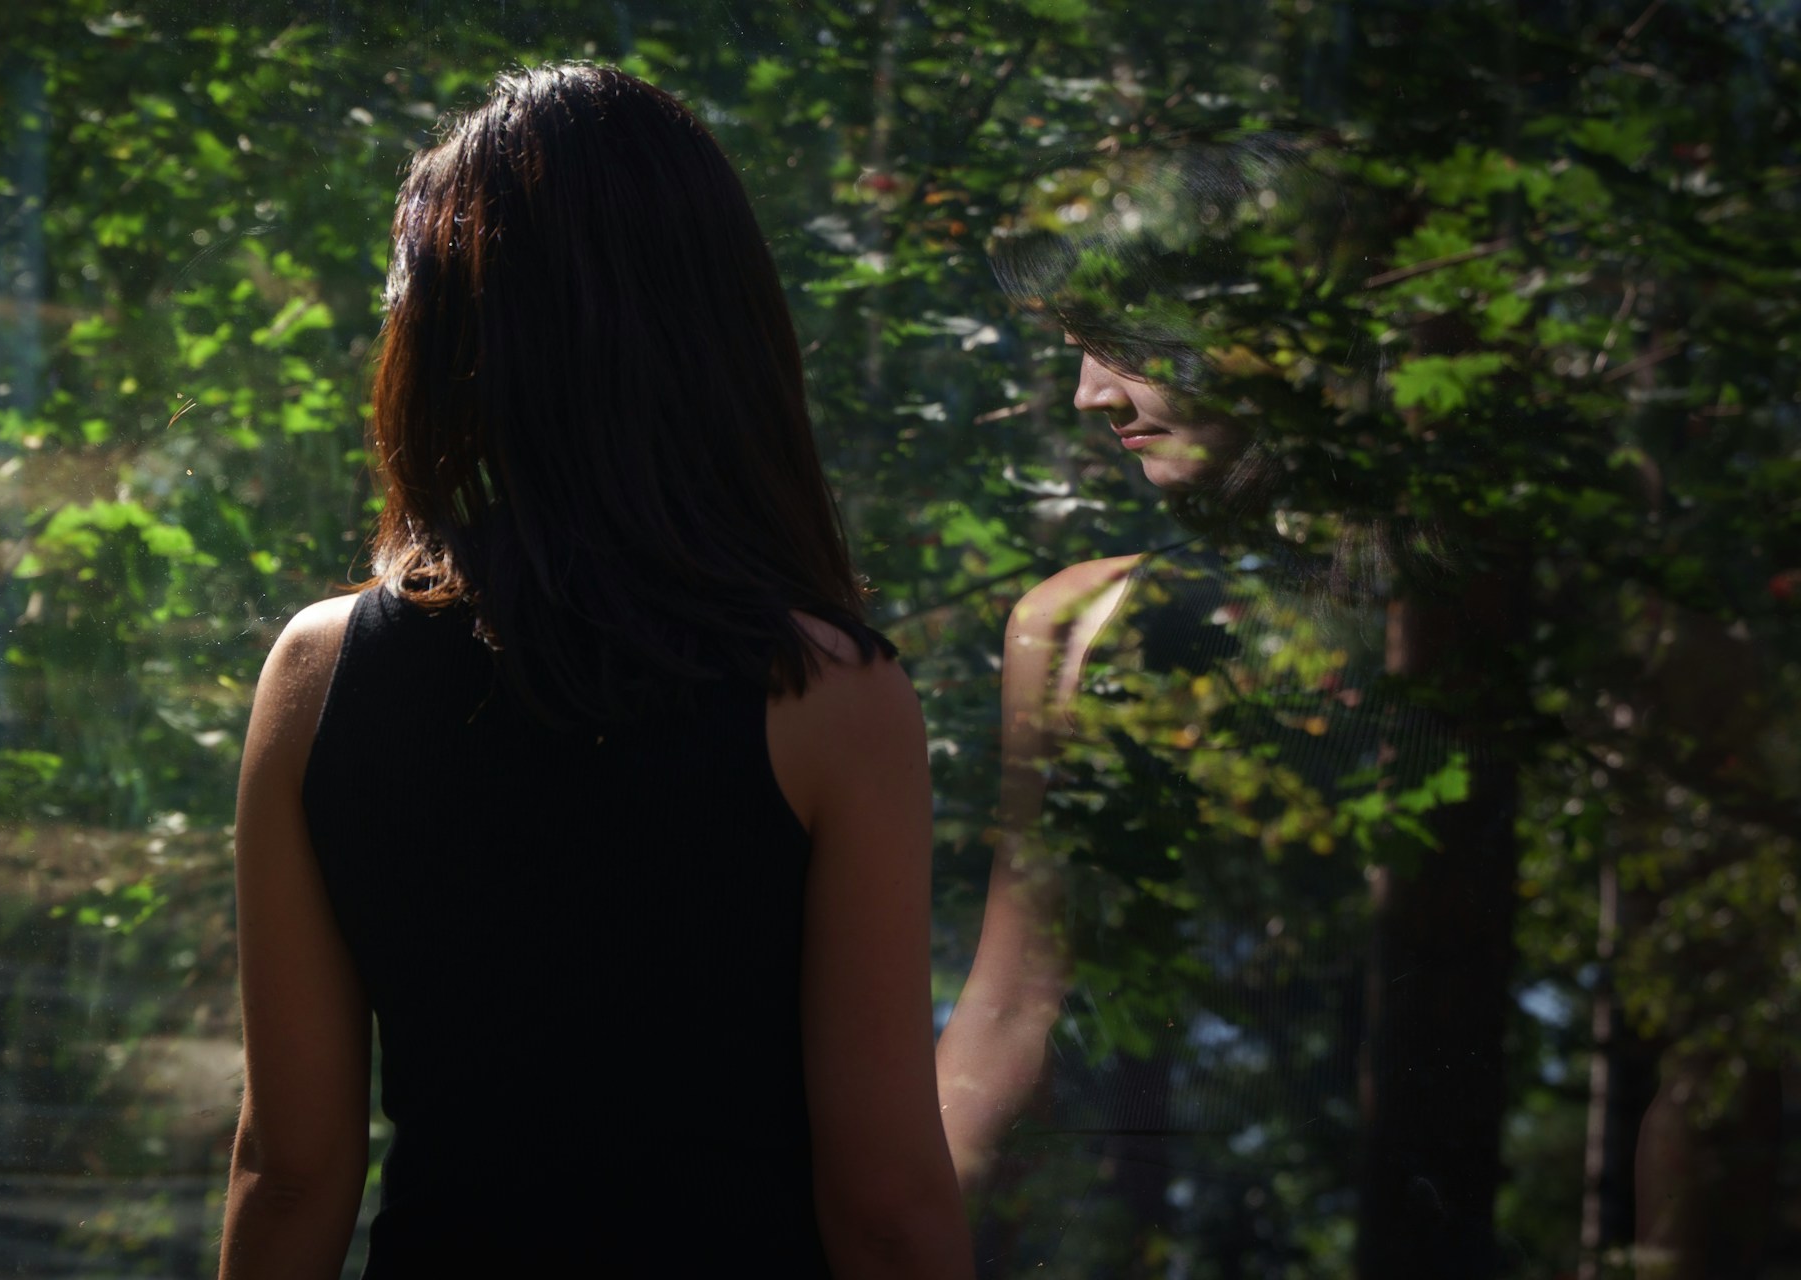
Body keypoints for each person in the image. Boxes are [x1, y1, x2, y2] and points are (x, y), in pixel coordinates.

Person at [217, 64, 972, 1278]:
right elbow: (885, 1205)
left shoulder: (319, 672)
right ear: (722, 331)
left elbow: (292, 1167)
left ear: (445, 340)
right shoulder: (830, 693)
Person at [935, 140, 1499, 1274]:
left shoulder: (1508, 621)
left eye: (1123, 343)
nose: (1092, 394)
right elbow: (1010, 1016)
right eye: (1077, 348)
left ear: (1274, 324)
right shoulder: (1083, 627)